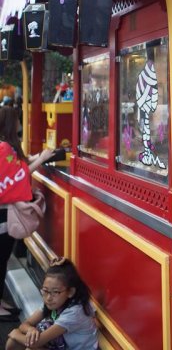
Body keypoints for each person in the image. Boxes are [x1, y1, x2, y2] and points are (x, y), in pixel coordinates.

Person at [0, 106, 54, 319]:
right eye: (18, 120)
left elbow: (17, 168)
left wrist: (38, 157)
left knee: (3, 258)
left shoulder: (5, 146)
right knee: (1, 258)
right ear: (10, 123)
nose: (20, 123)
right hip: (3, 214)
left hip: (4, 212)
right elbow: (17, 176)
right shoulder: (4, 147)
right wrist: (41, 159)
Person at [6, 257, 99, 349]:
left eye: (56, 292)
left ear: (70, 292)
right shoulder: (54, 302)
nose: (48, 298)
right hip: (58, 345)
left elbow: (36, 343)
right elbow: (26, 323)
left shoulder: (75, 312)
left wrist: (15, 334)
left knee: (22, 342)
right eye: (45, 290)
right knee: (14, 342)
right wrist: (31, 329)